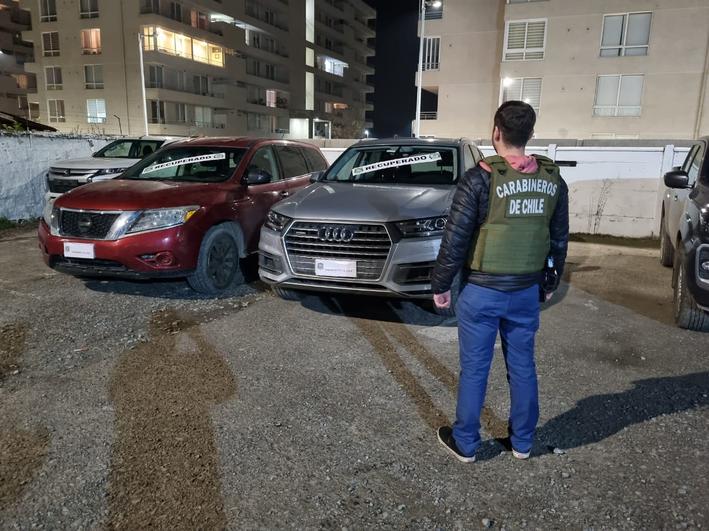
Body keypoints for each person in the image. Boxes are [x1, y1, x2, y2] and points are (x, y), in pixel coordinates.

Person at [431, 100, 569, 462]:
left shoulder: (479, 178)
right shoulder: (552, 180)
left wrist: (440, 285)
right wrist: (551, 280)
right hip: (525, 290)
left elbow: (455, 239)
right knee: (523, 366)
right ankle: (523, 442)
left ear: (496, 132)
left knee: (475, 369)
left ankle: (466, 443)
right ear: (530, 134)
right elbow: (558, 238)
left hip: (482, 290)